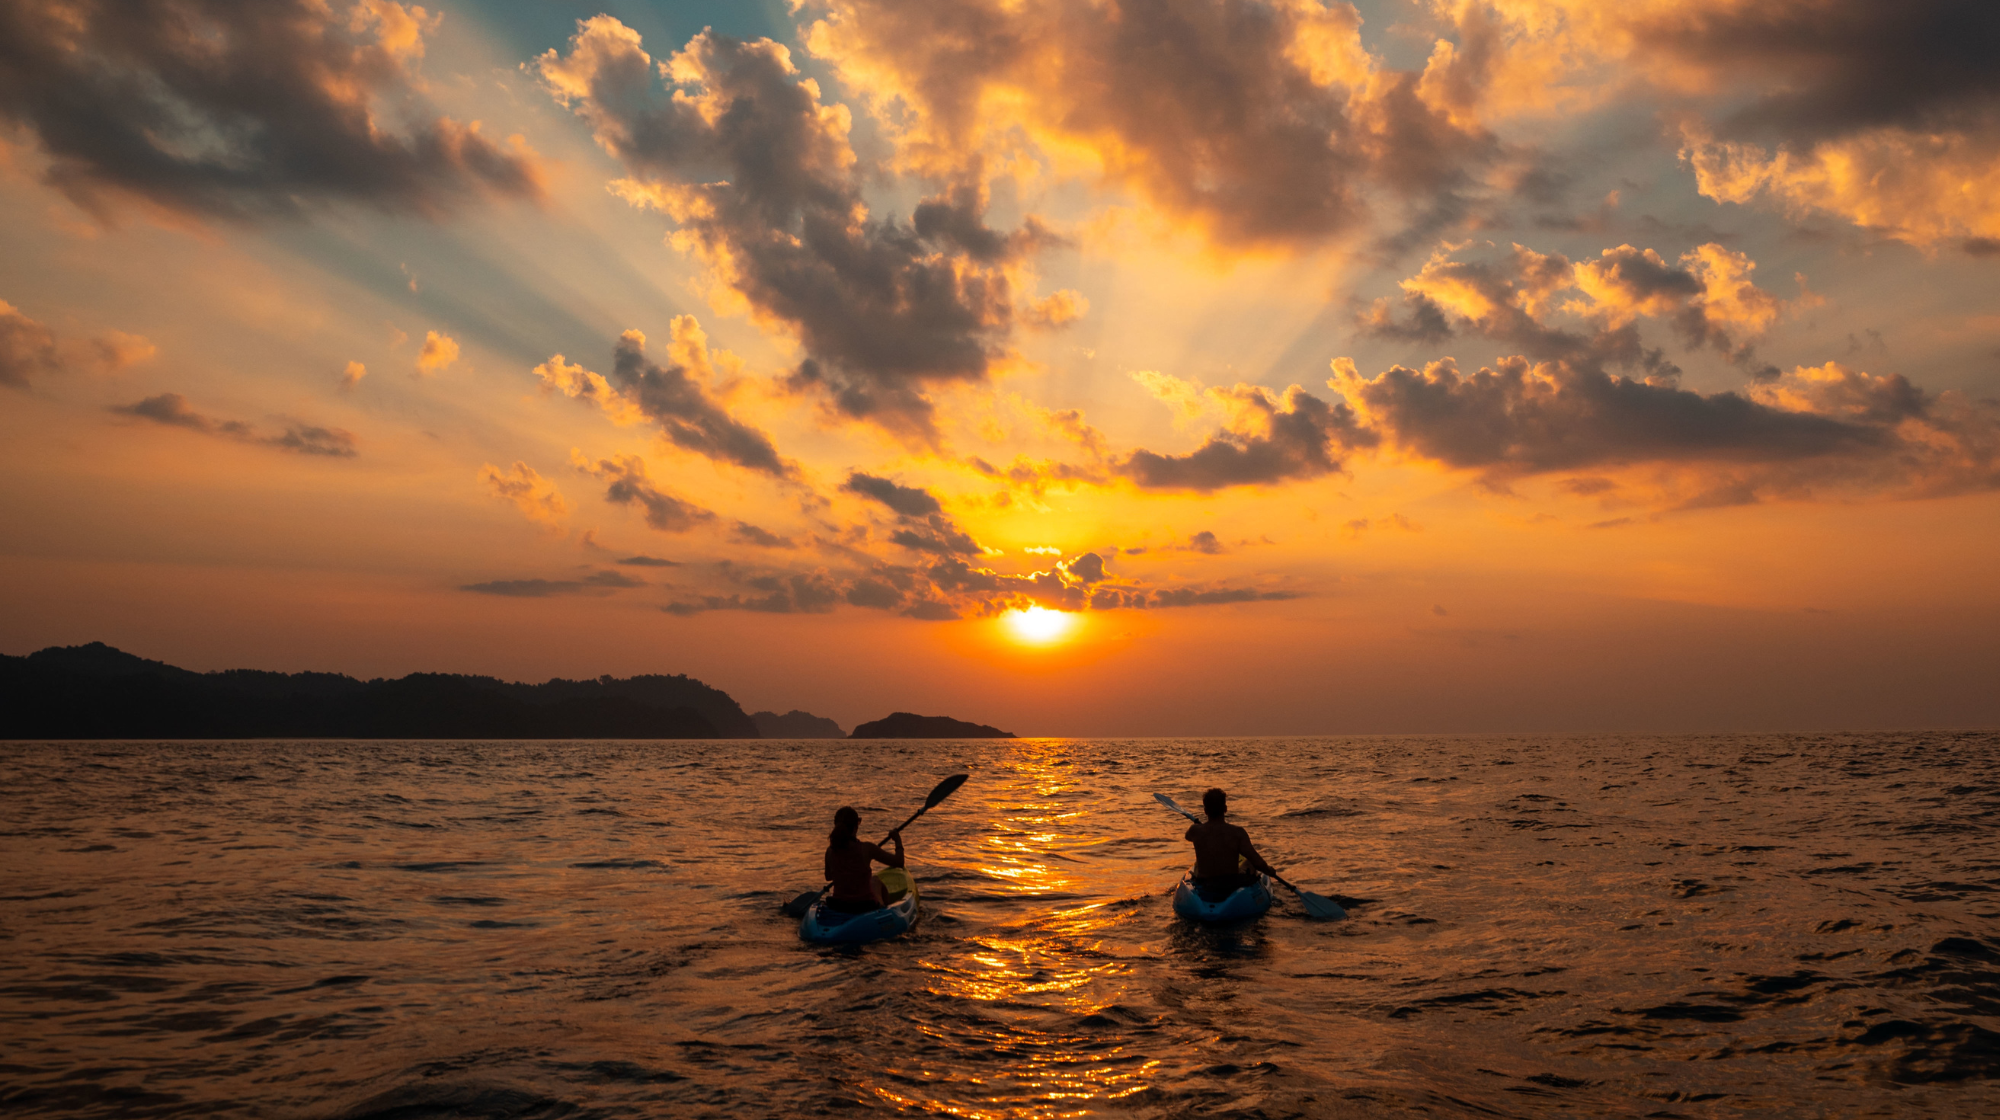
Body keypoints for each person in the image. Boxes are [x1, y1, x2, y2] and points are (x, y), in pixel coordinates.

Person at [1184, 788, 1277, 893]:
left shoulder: (1195, 830)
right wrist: (1268, 870)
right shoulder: (1238, 832)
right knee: (1249, 864)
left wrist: (1199, 826)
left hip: (1205, 883)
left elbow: (1187, 836)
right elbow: (1256, 861)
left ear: (1205, 811)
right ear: (1225, 809)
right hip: (1230, 884)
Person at [824, 806, 905, 913]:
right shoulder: (867, 849)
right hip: (864, 906)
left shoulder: (830, 851)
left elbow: (828, 877)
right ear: (855, 827)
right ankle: (884, 909)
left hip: (838, 906)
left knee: (873, 880)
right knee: (875, 880)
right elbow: (899, 862)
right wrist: (897, 840)